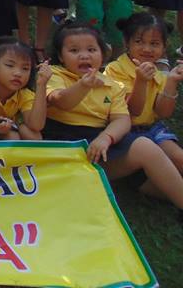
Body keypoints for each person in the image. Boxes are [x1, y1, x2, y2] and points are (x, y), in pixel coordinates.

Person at [45, 22, 183, 216]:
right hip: (64, 145)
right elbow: (61, 101)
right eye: (74, 50)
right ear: (60, 56)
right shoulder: (55, 75)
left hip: (99, 145)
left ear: (103, 54)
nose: (84, 55)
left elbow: (122, 120)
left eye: (91, 50)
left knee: (146, 149)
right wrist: (83, 86)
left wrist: (106, 137)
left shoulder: (112, 85)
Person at [106, 13, 183, 176]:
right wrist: (140, 81)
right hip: (125, 132)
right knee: (159, 172)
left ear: (164, 47)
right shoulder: (115, 69)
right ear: (127, 42)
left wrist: (171, 81)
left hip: (152, 128)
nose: (147, 49)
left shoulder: (159, 74)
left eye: (154, 43)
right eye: (139, 42)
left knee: (179, 158)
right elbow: (133, 111)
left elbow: (163, 113)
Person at [0, 39, 51, 140]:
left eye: (25, 68)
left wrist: (41, 85)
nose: (18, 73)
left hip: (4, 132)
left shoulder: (23, 94)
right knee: (12, 136)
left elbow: (36, 126)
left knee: (33, 136)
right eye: (10, 65)